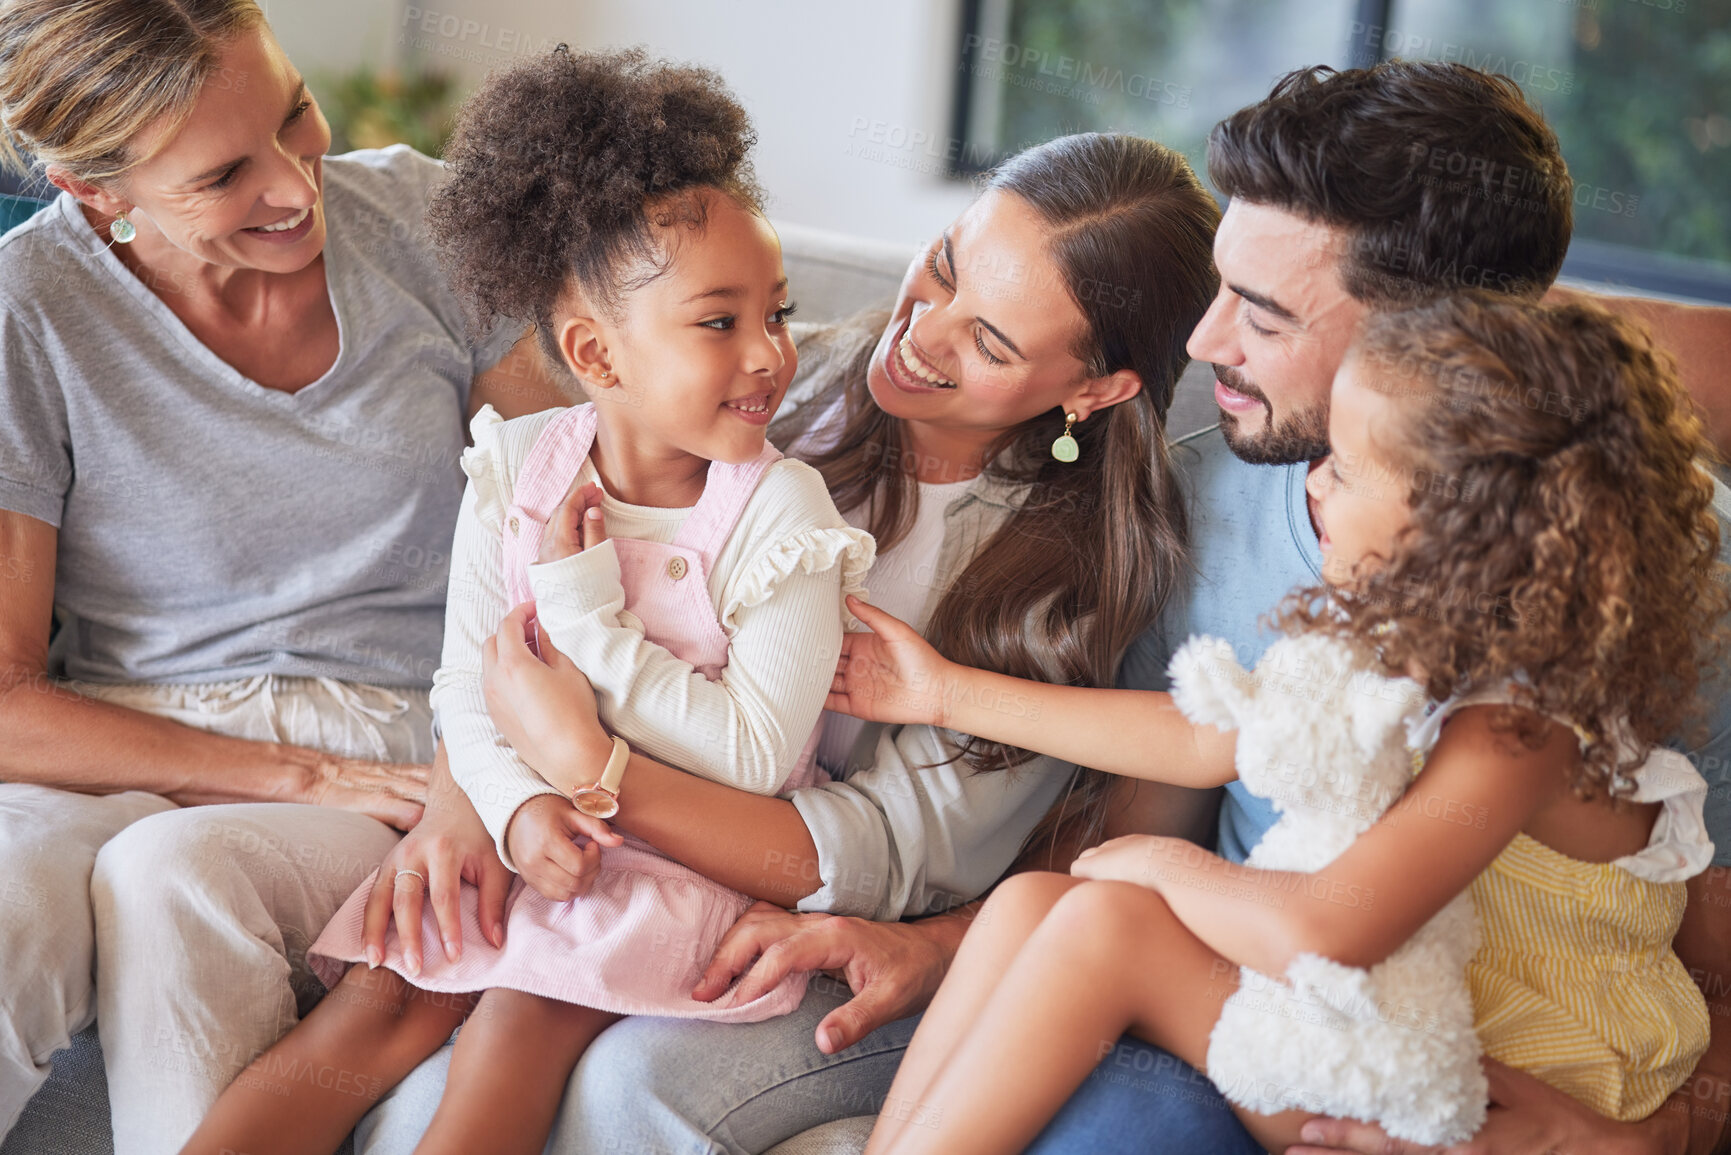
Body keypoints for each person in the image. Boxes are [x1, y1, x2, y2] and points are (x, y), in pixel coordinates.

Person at [393, 62, 1731, 1155]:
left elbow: (1676, 900)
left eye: (1254, 313)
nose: (1200, 352)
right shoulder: (1196, 483)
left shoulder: (1609, 570)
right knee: (1061, 934)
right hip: (1262, 982)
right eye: (1213, 294)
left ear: (1441, 351)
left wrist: (1662, 1127)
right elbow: (1185, 754)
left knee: (1100, 1009)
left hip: (1443, 1036)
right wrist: (489, 771)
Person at [349, 133, 1233, 1153]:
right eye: (941, 268)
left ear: (1097, 390)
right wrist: (480, 795)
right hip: (598, 831)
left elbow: (880, 853)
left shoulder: (1057, 583)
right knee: (398, 996)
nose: (922, 335)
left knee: (622, 1082)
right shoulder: (779, 383)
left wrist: (588, 767)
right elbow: (519, 567)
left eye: (989, 343)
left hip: (846, 915)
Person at [182, 47, 881, 1155]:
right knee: (380, 1001)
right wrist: (511, 807)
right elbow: (468, 678)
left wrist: (586, 618)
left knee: (517, 1017)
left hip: (682, 859)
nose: (770, 356)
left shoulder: (781, 512)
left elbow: (753, 755)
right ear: (597, 353)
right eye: (719, 322)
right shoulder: (518, 463)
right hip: (534, 829)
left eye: (778, 312)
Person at [830, 293, 1725, 1154]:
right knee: (1032, 901)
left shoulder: (1522, 725)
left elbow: (1326, 930)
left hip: (1512, 1101)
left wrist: (1156, 861)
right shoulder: (1381, 647)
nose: (1315, 486)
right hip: (1379, 1037)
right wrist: (940, 692)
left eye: (1340, 463)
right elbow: (1196, 742)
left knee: (1109, 930)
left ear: (1453, 522)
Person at [0, 2, 567, 1150]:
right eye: (219, 177)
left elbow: (551, 556)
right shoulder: (28, 310)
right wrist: (297, 779)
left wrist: (476, 782)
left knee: (175, 881)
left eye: (296, 115)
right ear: (92, 190)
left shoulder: (424, 220)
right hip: (129, 743)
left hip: (409, 735)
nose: (294, 189)